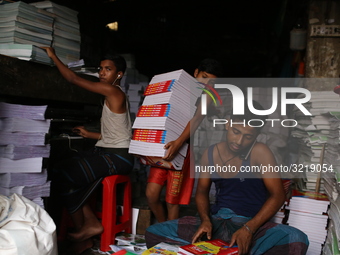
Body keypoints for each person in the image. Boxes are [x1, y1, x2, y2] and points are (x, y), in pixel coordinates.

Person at [145, 101, 309, 255]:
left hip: (250, 224)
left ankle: (227, 249)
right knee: (154, 232)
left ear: (257, 135)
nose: (239, 141)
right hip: (216, 222)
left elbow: (278, 195)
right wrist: (205, 220)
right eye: (236, 132)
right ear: (227, 123)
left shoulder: (260, 152)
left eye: (248, 136)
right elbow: (201, 192)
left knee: (297, 239)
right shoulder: (210, 153)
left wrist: (248, 229)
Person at [43, 47, 134, 254]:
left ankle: (88, 226)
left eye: (108, 69)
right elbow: (116, 134)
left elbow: (73, 79)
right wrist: (89, 134)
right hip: (109, 152)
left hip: (118, 157)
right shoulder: (112, 93)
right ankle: (88, 228)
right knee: (60, 169)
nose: (102, 73)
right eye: (101, 69)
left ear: (119, 74)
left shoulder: (113, 91)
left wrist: (53, 56)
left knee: (65, 173)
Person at [145, 58, 224, 223]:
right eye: (204, 77)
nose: (206, 83)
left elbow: (196, 119)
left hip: (183, 150)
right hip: (164, 146)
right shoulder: (179, 87)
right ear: (195, 73)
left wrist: (179, 142)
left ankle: (168, 235)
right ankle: (162, 225)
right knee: (151, 194)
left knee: (172, 201)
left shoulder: (207, 96)